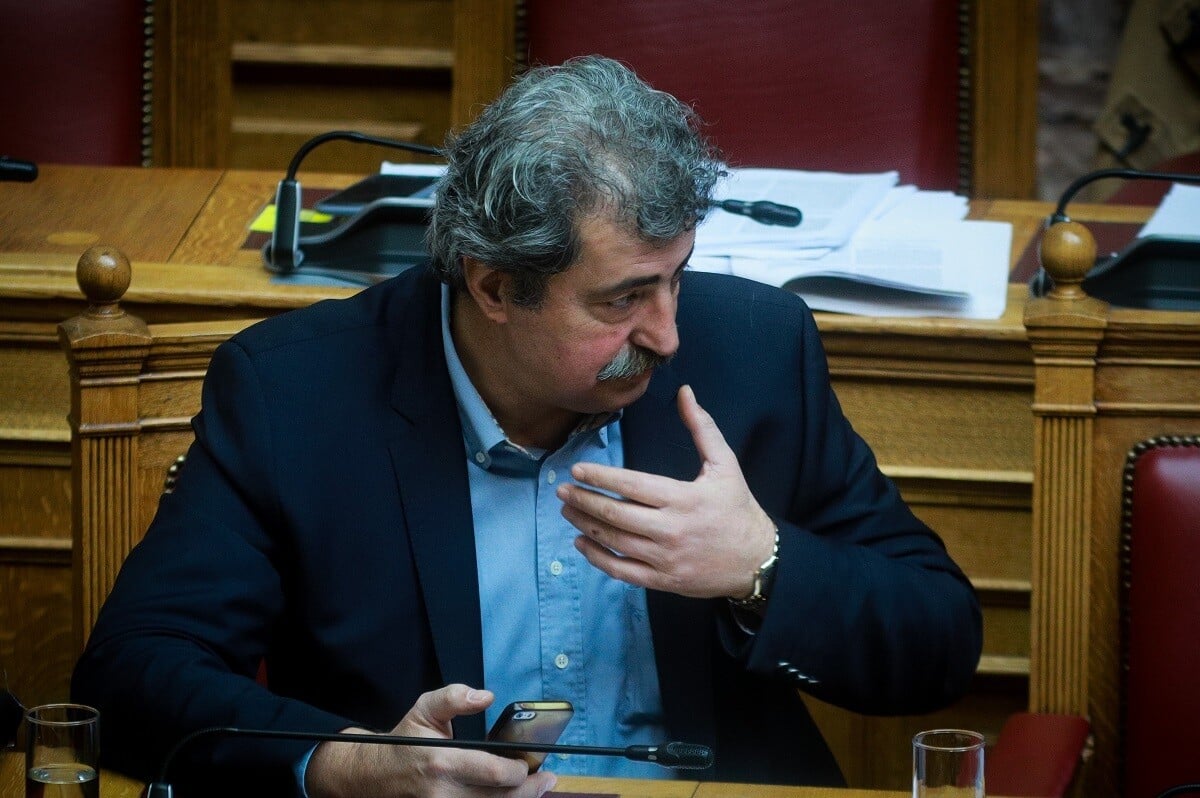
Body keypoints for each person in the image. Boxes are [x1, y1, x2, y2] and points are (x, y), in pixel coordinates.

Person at [72, 55, 982, 797]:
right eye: (623, 299)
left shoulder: (751, 351)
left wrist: (761, 567)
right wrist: (348, 764)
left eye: (677, 278)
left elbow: (940, 639)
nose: (668, 334)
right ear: (496, 286)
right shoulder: (297, 393)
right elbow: (132, 674)